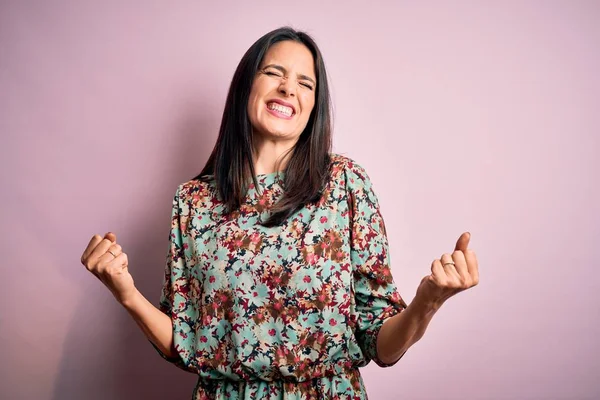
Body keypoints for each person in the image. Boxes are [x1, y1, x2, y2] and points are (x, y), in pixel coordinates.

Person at [80, 26, 479, 399]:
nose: (289, 88)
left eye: (305, 83)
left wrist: (428, 301)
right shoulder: (192, 202)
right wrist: (125, 292)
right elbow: (184, 343)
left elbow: (382, 345)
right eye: (274, 73)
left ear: (313, 106)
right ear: (246, 86)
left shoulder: (344, 184)